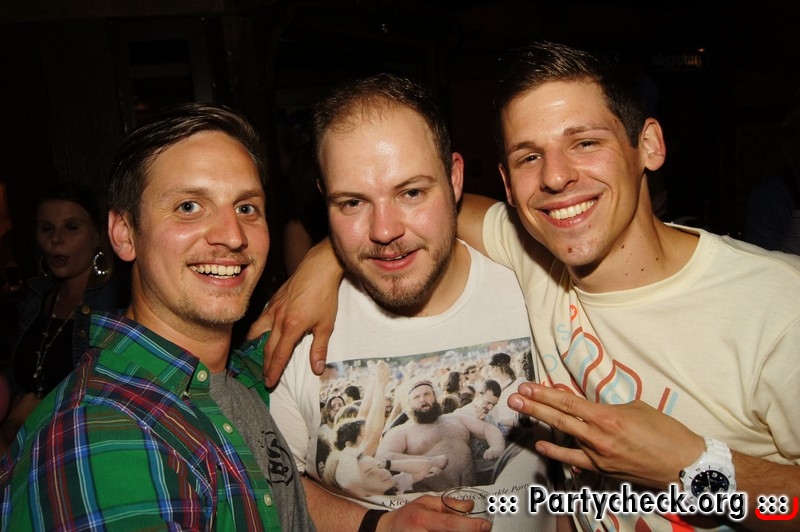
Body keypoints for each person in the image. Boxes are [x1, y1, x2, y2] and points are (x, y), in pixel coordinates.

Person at [257, 42, 800, 531]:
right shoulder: (534, 259)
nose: (556, 177)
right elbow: (424, 221)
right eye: (529, 157)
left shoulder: (777, 306)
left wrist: (694, 466)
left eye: (585, 142)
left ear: (650, 145)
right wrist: (328, 257)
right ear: (509, 185)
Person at [0, 103, 313, 531]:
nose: (233, 235)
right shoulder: (106, 434)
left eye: (246, 208)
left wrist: (327, 263)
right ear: (124, 233)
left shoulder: (237, 375)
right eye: (189, 206)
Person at [266, 73, 556, 532]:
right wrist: (373, 525)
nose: (385, 230)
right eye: (353, 203)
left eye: (412, 192)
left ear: (454, 178)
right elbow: (274, 489)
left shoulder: (539, 293)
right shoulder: (295, 328)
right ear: (325, 199)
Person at [0, 182, 129, 450]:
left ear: (98, 235)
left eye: (71, 227)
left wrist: (21, 424)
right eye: (46, 228)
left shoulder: (116, 305)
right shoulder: (36, 299)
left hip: (80, 448)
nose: (56, 239)